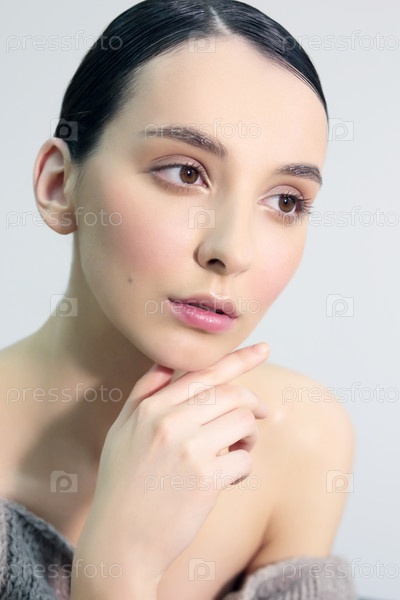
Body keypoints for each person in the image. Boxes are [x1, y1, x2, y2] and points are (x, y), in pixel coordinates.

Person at [0, 0, 358, 598]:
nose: (233, 250)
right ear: (60, 185)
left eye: (286, 201)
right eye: (185, 173)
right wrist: (119, 566)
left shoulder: (303, 437)